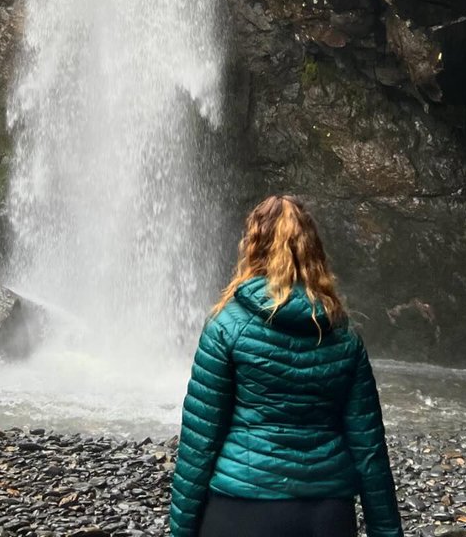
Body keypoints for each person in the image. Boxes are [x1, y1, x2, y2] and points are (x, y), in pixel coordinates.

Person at [170, 195, 404, 537]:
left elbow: (199, 442)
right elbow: (369, 450)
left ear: (253, 247)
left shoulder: (225, 326)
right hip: (327, 514)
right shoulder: (343, 335)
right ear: (314, 251)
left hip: (241, 509)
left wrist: (181, 530)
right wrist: (387, 531)